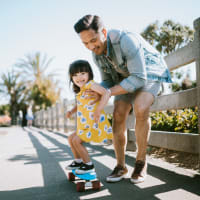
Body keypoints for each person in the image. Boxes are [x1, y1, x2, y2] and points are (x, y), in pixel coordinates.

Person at [73, 15, 172, 183]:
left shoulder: (126, 40)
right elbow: (109, 81)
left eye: (93, 40)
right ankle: (121, 166)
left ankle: (141, 162)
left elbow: (139, 78)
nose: (91, 46)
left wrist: (107, 92)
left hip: (149, 73)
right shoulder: (96, 54)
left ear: (103, 32)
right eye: (85, 43)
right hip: (125, 78)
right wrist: (99, 90)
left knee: (140, 107)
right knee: (118, 114)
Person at [65, 60, 113, 174]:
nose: (79, 77)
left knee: (77, 141)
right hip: (85, 124)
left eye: (82, 73)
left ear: (89, 74)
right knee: (71, 138)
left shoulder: (91, 84)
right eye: (75, 75)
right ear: (71, 78)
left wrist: (99, 109)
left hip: (93, 123)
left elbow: (106, 93)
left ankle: (88, 165)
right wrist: (71, 111)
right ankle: (78, 161)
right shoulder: (81, 90)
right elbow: (80, 104)